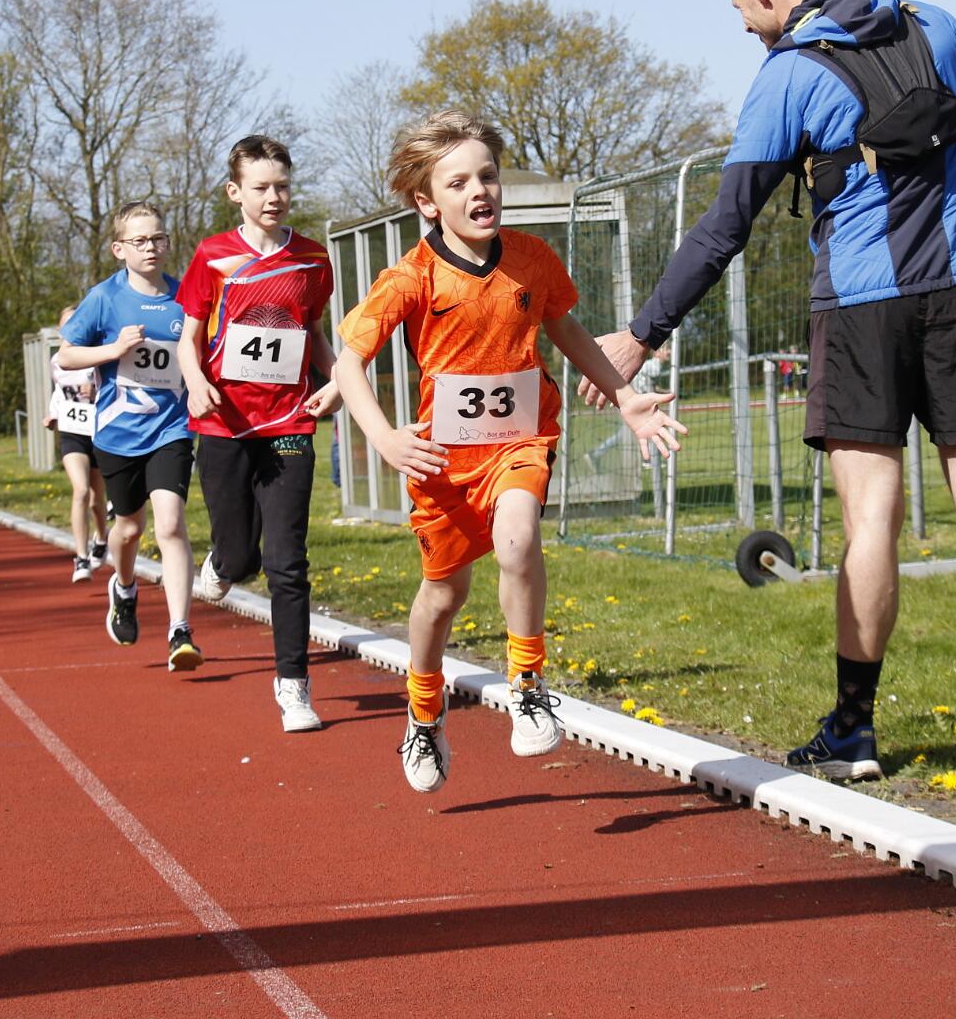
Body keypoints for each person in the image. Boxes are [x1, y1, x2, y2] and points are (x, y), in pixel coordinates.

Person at [583, 0, 956, 778]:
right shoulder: (935, 25)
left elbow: (724, 228)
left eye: (741, 10)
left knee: (871, 521)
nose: (746, 27)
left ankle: (854, 730)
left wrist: (642, 333)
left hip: (858, 313)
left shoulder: (787, 76)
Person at [335, 111, 683, 792]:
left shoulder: (532, 259)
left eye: (488, 176)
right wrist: (385, 437)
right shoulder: (410, 278)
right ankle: (424, 713)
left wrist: (626, 397)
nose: (479, 191)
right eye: (458, 182)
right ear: (427, 202)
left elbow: (566, 329)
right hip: (443, 461)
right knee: (443, 595)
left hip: (520, 440)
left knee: (519, 540)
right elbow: (349, 364)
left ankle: (526, 684)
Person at [180, 134, 342, 733]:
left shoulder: (312, 258)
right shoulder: (213, 256)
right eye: (261, 188)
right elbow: (187, 339)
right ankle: (224, 559)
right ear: (236, 192)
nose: (274, 197)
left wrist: (339, 381)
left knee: (286, 560)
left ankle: (294, 686)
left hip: (288, 420)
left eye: (282, 186)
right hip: (224, 421)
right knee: (242, 554)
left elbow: (315, 335)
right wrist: (196, 382)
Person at [55, 202, 202, 672]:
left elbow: (204, 352)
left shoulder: (186, 296)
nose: (151, 248)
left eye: (158, 238)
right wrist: (113, 349)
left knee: (171, 524)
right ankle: (123, 587)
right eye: (139, 241)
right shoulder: (104, 298)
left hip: (172, 429)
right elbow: (65, 356)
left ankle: (180, 630)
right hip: (117, 434)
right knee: (129, 528)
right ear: (119, 249)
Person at [49, 304, 110, 584]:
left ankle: (102, 538)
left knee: (97, 500)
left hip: (98, 431)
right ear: (60, 330)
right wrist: (52, 413)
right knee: (81, 491)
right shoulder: (57, 361)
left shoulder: (98, 354)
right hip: (72, 432)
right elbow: (59, 393)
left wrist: (96, 390)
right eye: (67, 324)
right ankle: (81, 557)